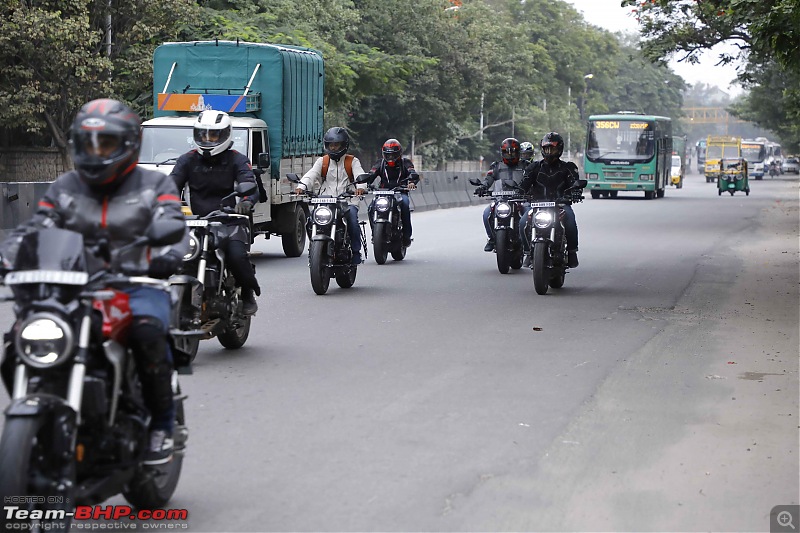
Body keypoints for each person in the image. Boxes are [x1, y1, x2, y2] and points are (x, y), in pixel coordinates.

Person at [0, 99, 188, 465]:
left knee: (148, 334)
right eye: (88, 143)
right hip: (72, 285)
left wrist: (165, 255)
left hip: (136, 283)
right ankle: (38, 414)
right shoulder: (66, 186)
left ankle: (162, 426)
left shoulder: (154, 184)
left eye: (106, 144)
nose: (96, 152)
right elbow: (36, 229)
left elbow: (173, 223)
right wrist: (9, 254)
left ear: (129, 144)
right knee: (17, 344)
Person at [170, 110, 261, 315]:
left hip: (229, 221)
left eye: (213, 135)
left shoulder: (237, 159)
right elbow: (170, 186)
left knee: (237, 256)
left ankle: (247, 292)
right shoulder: (187, 160)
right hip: (196, 222)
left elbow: (249, 183)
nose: (208, 139)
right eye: (203, 135)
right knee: (169, 255)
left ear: (225, 134)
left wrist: (245, 202)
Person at [294, 127, 367, 264]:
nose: (333, 148)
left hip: (347, 200)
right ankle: (316, 248)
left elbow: (360, 176)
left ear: (344, 145)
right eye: (330, 145)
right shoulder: (323, 161)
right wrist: (301, 187)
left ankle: (356, 252)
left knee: (352, 218)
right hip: (326, 201)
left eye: (336, 145)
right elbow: (311, 175)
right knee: (311, 220)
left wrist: (361, 188)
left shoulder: (352, 161)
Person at [519, 132, 581, 268]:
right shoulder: (534, 167)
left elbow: (574, 183)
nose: (549, 152)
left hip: (560, 205)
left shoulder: (568, 167)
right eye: (546, 149)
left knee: (570, 220)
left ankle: (572, 252)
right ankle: (529, 253)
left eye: (552, 149)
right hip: (537, 206)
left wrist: (575, 192)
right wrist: (519, 192)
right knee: (523, 222)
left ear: (559, 149)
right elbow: (524, 184)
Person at [366, 138, 420, 247]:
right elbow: (371, 174)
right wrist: (364, 183)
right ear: (384, 154)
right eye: (388, 155)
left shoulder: (406, 162)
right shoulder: (379, 163)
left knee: (405, 204)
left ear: (399, 154)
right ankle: (375, 234)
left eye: (393, 155)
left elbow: (412, 173)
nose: (390, 158)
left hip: (400, 192)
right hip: (382, 193)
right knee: (371, 207)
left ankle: (406, 236)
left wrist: (411, 182)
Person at [475, 137, 526, 252]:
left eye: (512, 152)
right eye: (507, 153)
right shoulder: (496, 166)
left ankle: (529, 242)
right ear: (502, 153)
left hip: (522, 199)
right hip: (502, 199)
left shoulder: (525, 166)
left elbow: (532, 179)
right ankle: (492, 239)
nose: (510, 155)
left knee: (529, 214)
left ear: (518, 152)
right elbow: (489, 179)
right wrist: (483, 187)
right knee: (486, 213)